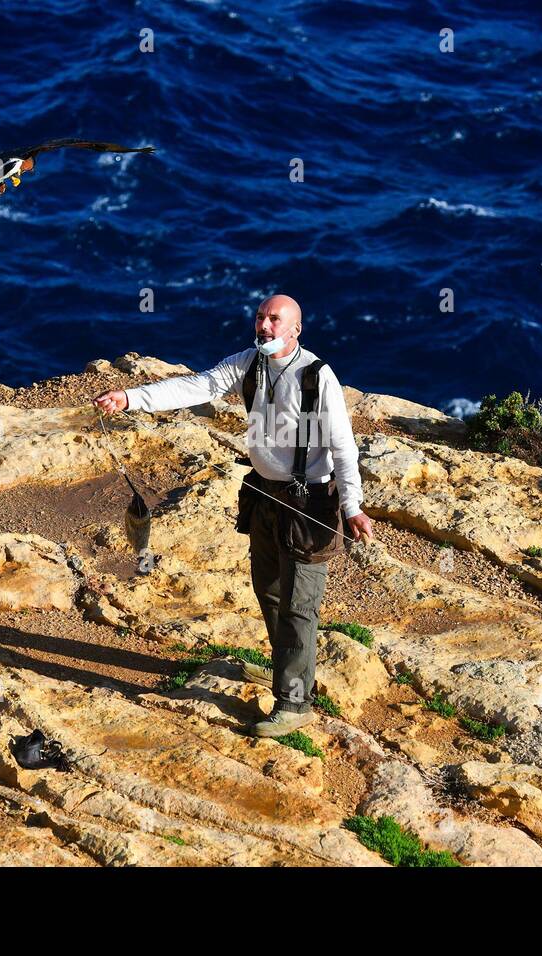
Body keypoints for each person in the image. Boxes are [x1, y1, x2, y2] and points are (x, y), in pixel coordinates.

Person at [95, 294, 373, 737]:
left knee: (300, 605)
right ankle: (288, 670)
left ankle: (294, 702)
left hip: (310, 504)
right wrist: (131, 398)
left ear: (295, 329)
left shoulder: (318, 377)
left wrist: (353, 508)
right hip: (263, 496)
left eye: (274, 319)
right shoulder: (248, 363)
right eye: (260, 317)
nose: (264, 325)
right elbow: (198, 386)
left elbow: (343, 446)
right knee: (269, 590)